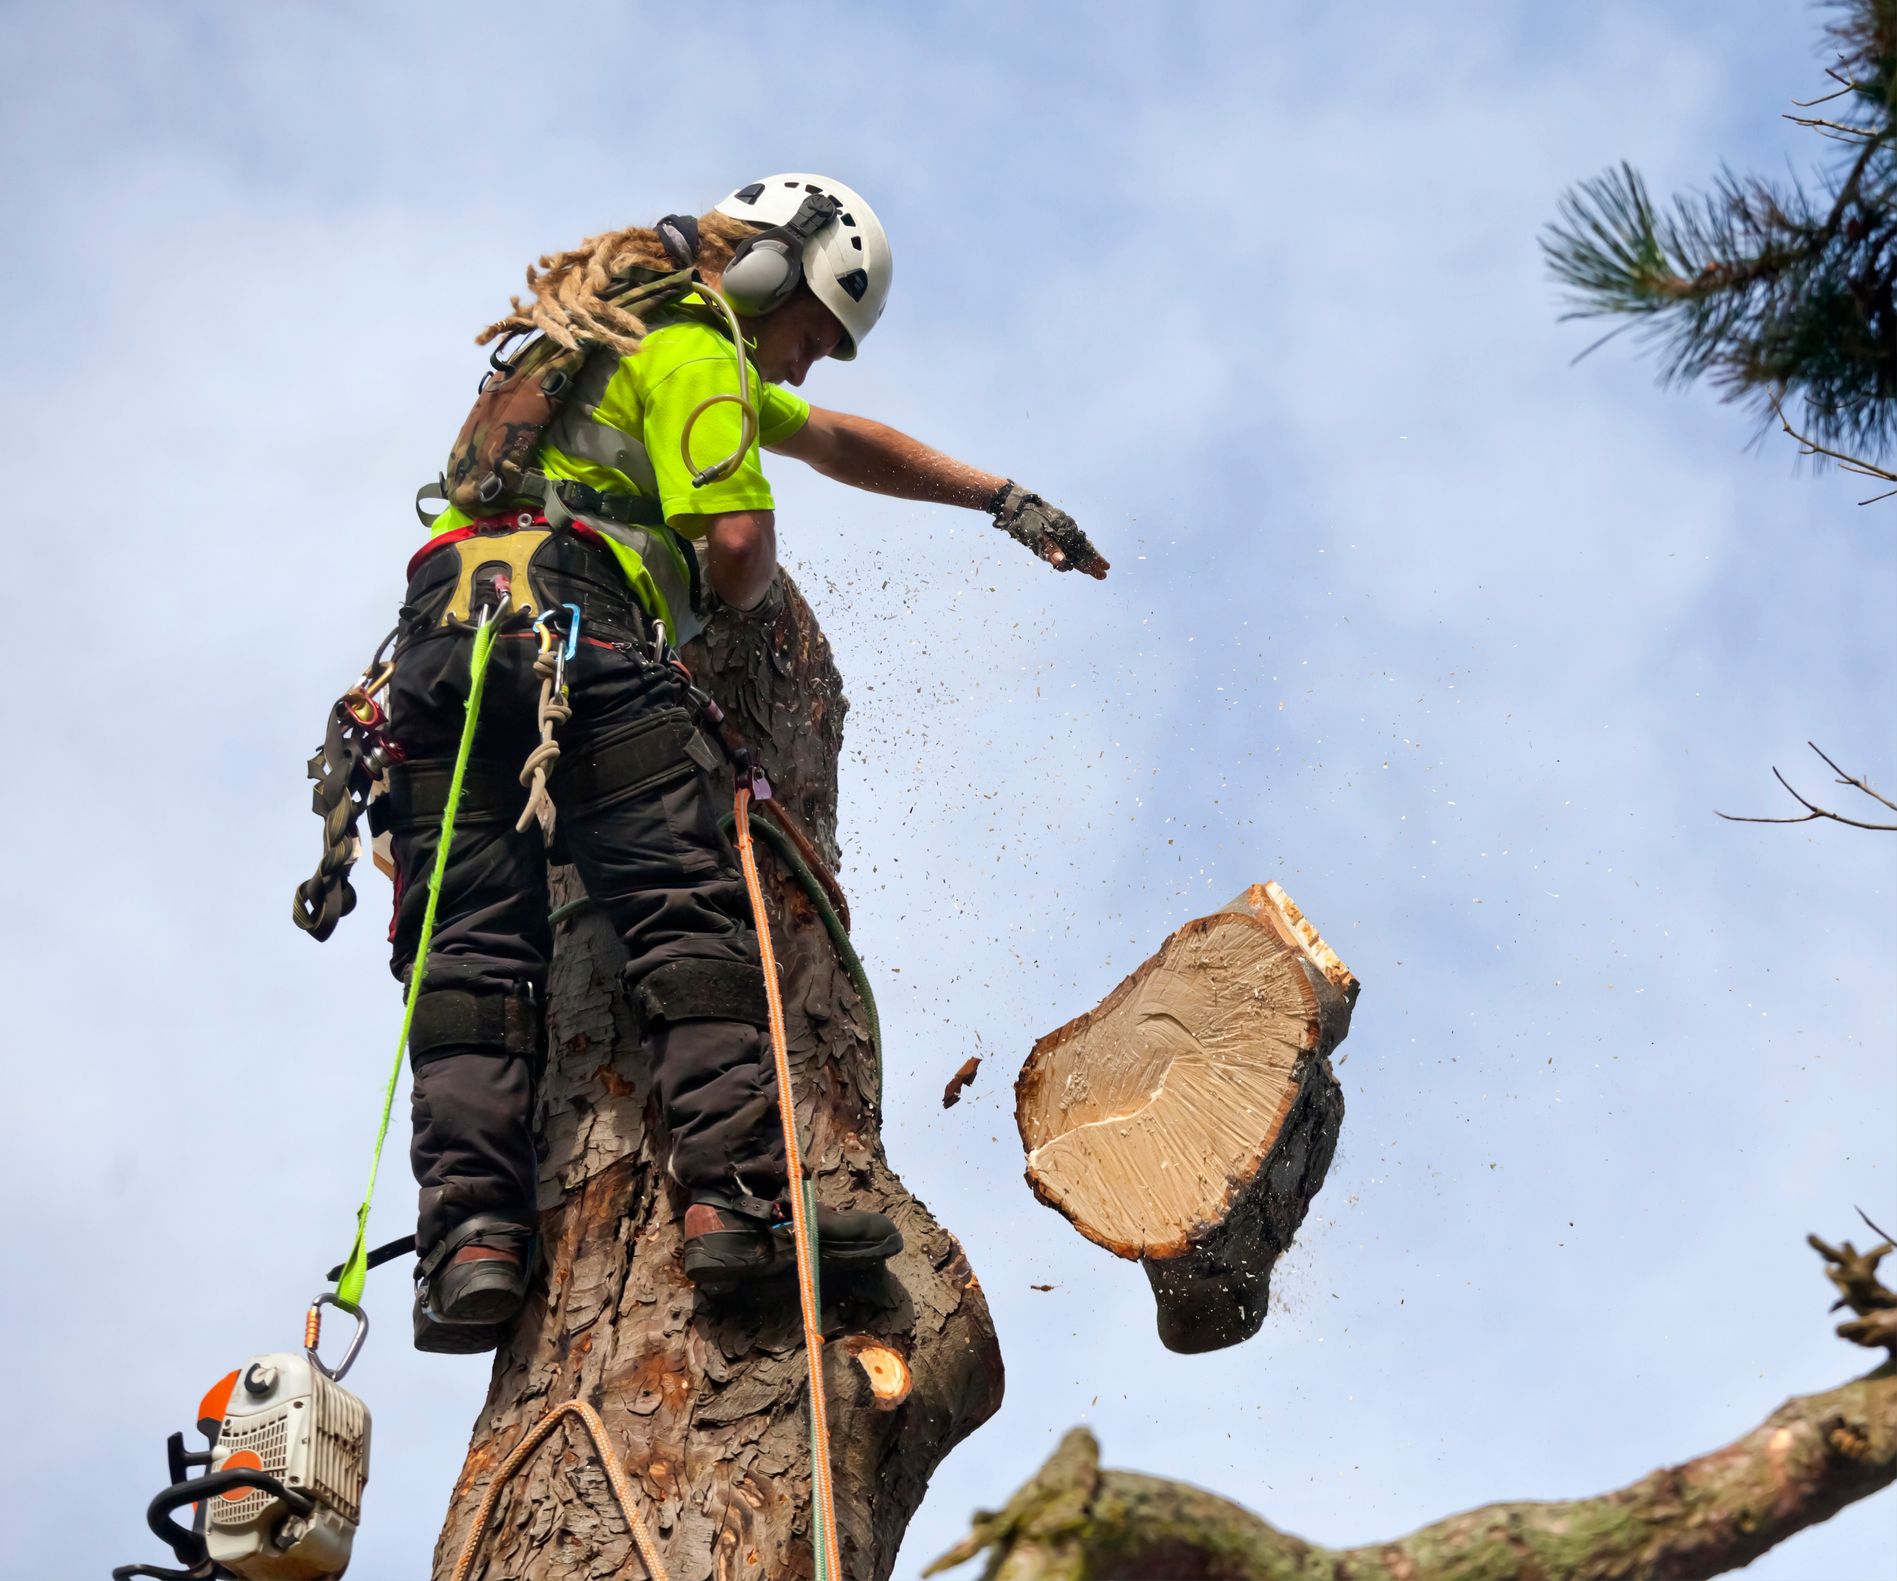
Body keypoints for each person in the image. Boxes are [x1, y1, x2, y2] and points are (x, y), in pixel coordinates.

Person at [385, 172, 1108, 1351]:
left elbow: (837, 442)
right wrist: (722, 611)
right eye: (813, 334)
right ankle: (742, 1207)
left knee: (468, 960)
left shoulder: (608, 347)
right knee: (687, 924)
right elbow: (737, 540)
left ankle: (472, 1242)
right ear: (767, 272)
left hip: (437, 661)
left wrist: (997, 498)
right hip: (579, 645)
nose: (804, 368)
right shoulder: (696, 348)